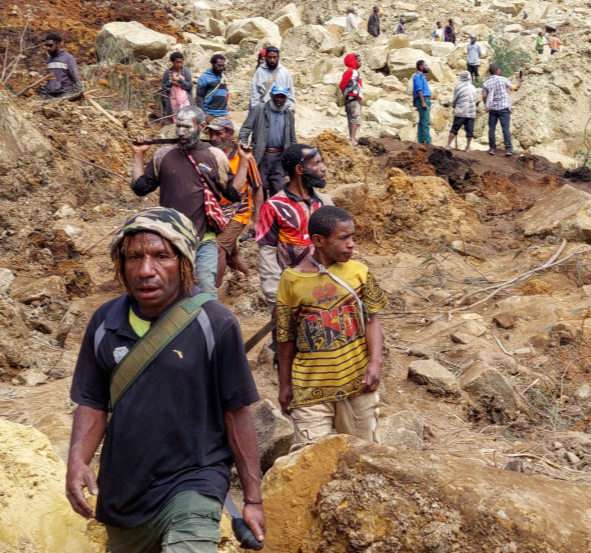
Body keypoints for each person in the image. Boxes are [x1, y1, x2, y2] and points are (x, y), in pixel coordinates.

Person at [67, 207, 265, 552]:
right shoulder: (104, 322)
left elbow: (237, 414)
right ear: (121, 263)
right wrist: (77, 462)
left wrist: (253, 498)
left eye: (161, 256)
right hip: (125, 495)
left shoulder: (215, 323)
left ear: (184, 263)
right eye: (134, 257)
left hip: (195, 483)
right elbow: (93, 402)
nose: (146, 270)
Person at [275, 205, 388, 448]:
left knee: (363, 456)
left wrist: (375, 362)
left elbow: (372, 320)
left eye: (352, 237)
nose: (352, 244)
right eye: (344, 237)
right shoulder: (291, 280)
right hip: (310, 390)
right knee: (307, 460)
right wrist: (285, 384)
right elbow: (285, 336)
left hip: (357, 385)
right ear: (319, 240)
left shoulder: (360, 272)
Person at [131, 107, 240, 299]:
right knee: (170, 292)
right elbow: (140, 188)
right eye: (178, 127)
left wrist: (246, 161)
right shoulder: (163, 155)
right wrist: (138, 154)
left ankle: (206, 327)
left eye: (187, 127)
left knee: (205, 290)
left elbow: (232, 193)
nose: (181, 132)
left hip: (203, 239)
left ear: (202, 127)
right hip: (169, 240)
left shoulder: (216, 156)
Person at [255, 143, 332, 338]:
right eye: (317, 163)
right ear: (299, 170)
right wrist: (276, 301)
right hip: (292, 296)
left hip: (326, 294)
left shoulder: (325, 203)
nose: (323, 168)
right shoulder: (273, 207)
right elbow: (267, 256)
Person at [206, 117, 260, 287]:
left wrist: (257, 220)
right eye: (211, 134)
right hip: (215, 211)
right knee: (230, 255)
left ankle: (211, 296)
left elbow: (257, 187)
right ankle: (248, 278)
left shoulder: (243, 156)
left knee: (219, 249)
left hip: (239, 211)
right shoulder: (208, 155)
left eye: (218, 134)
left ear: (230, 134)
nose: (214, 138)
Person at [240, 83, 296, 220]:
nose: (279, 100)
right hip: (261, 155)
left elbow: (293, 139)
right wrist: (244, 147)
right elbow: (245, 130)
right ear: (271, 95)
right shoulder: (259, 109)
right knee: (259, 187)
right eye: (277, 96)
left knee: (278, 189)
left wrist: (292, 158)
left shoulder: (288, 114)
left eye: (282, 97)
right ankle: (260, 220)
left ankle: (276, 220)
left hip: (280, 157)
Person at [482, 63, 522, 156]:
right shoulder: (503, 79)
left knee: (491, 128)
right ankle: (509, 149)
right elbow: (514, 88)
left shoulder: (485, 83)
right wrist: (519, 81)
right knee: (505, 128)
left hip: (492, 108)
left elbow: (484, 96)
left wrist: (486, 105)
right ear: (498, 71)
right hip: (504, 107)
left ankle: (492, 148)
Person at [250, 47, 295, 112]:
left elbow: (290, 91)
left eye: (274, 57)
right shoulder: (259, 71)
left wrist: (291, 107)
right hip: (263, 110)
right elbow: (255, 92)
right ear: (266, 57)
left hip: (281, 111)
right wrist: (255, 109)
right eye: (269, 57)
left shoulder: (284, 72)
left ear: (278, 57)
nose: (272, 60)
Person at [41, 32, 83, 98]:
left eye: (50, 45)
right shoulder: (49, 60)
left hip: (64, 94)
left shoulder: (68, 58)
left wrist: (80, 93)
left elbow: (75, 77)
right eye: (46, 45)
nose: (48, 48)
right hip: (50, 95)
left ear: (58, 44)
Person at [447, 71, 477, 151]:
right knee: (469, 130)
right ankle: (467, 147)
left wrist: (453, 105)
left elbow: (455, 98)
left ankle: (448, 145)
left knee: (454, 128)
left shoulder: (458, 87)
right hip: (471, 112)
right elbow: (475, 99)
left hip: (460, 111)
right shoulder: (473, 87)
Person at [339, 53, 364, 143]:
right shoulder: (351, 71)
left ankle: (351, 138)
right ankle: (352, 139)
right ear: (354, 61)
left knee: (351, 119)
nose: (361, 62)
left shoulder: (353, 72)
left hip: (351, 99)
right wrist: (349, 93)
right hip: (353, 99)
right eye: (359, 60)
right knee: (355, 118)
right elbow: (342, 84)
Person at [196, 54, 229, 119]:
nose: (221, 68)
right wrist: (203, 114)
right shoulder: (204, 77)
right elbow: (199, 97)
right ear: (213, 64)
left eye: (223, 66)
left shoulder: (223, 77)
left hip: (224, 113)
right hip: (210, 114)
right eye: (219, 65)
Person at [162, 52, 192, 120]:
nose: (179, 64)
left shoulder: (185, 72)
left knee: (187, 119)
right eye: (177, 62)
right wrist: (171, 83)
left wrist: (180, 81)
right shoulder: (168, 73)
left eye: (181, 62)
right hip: (173, 100)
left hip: (185, 100)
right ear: (172, 61)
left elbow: (190, 86)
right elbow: (163, 88)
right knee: (176, 120)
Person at [412, 60, 432, 144]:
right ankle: (428, 142)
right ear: (421, 67)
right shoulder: (418, 76)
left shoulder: (421, 76)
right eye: (425, 65)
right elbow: (419, 89)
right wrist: (423, 102)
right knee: (425, 121)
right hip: (423, 100)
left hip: (423, 100)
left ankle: (421, 141)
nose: (427, 67)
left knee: (421, 121)